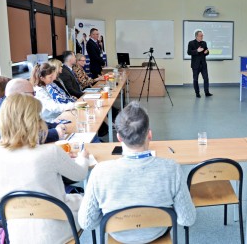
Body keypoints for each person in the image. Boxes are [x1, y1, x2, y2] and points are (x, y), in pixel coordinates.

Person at [78, 101, 196, 242]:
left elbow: (86, 223)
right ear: (150, 134)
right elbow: (187, 219)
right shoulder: (172, 169)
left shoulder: (100, 172)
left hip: (118, 236)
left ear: (119, 137)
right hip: (157, 234)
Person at [0, 94, 89, 243]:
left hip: (16, 233)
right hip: (54, 232)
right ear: (33, 121)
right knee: (85, 201)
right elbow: (80, 174)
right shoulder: (50, 153)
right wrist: (83, 158)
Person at [0, 79, 66, 192]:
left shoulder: (15, 106)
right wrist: (56, 133)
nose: (35, 97)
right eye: (33, 93)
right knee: (53, 171)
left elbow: (37, 123)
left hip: (13, 161)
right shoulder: (2, 112)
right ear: (21, 94)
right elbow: (24, 138)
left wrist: (56, 125)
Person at [187, 30, 212, 98]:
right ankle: (197, 93)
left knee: (206, 78)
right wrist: (197, 51)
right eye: (201, 36)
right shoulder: (191, 43)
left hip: (203, 64)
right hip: (195, 65)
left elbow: (207, 51)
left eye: (202, 35)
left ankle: (207, 92)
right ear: (196, 36)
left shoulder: (204, 43)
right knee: (195, 79)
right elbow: (189, 52)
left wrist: (206, 52)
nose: (202, 37)